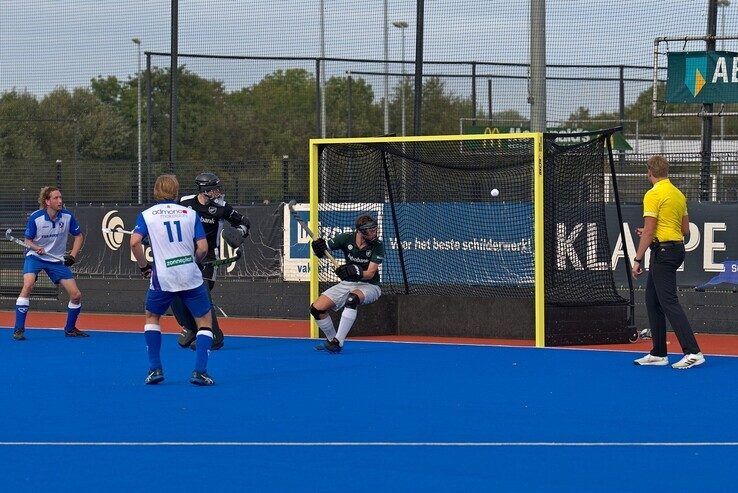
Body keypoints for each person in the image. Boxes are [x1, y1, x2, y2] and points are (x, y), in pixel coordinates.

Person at [131, 174, 216, 386]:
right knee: (204, 322)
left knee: (152, 317)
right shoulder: (190, 214)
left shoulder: (147, 215)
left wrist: (144, 267)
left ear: (156, 192)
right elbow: (203, 248)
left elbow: (134, 243)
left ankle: (155, 369)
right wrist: (194, 261)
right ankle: (200, 372)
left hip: (164, 277)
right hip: (190, 275)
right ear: (176, 192)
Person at [632, 155, 704, 369]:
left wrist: (637, 259)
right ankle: (659, 353)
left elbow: (651, 229)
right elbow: (684, 230)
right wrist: (649, 233)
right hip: (673, 249)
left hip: (663, 252)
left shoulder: (653, 194)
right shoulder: (678, 194)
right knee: (653, 301)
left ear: (649, 173)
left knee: (669, 302)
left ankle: (694, 352)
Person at [173, 172, 250, 351]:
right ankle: (192, 328)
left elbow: (245, 222)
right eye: (213, 189)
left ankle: (215, 336)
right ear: (204, 190)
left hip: (209, 259)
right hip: (186, 257)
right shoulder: (185, 203)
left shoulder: (222, 207)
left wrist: (240, 233)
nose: (217, 192)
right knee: (177, 296)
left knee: (203, 294)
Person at [12, 186, 88, 340]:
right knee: (28, 285)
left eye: (60, 197)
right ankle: (18, 330)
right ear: (47, 201)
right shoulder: (36, 218)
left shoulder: (67, 216)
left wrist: (72, 255)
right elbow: (28, 240)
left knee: (76, 295)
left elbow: (79, 236)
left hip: (56, 259)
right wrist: (36, 247)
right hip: (35, 257)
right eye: (55, 198)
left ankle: (70, 328)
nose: (60, 201)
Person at [310, 214, 384, 353]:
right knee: (316, 309)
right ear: (361, 232)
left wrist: (353, 270)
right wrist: (317, 248)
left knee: (352, 299)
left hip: (370, 286)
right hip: (348, 283)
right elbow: (322, 251)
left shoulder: (378, 245)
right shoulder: (346, 238)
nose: (375, 232)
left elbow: (370, 274)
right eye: (371, 230)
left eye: (376, 229)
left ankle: (338, 342)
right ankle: (332, 341)